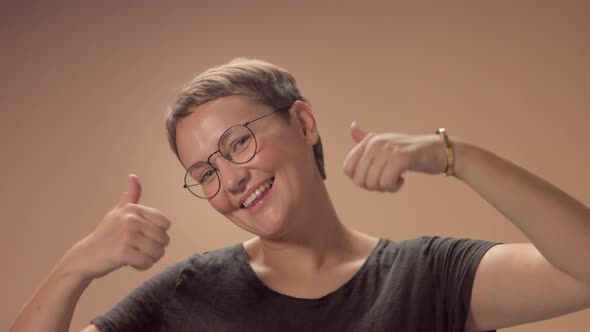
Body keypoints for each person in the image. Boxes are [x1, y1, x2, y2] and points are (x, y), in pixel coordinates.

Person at [11, 58, 590, 332]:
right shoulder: (186, 297)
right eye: (205, 173)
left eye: (238, 142)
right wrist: (76, 267)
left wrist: (455, 155)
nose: (230, 179)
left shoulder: (427, 277)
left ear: (304, 124)